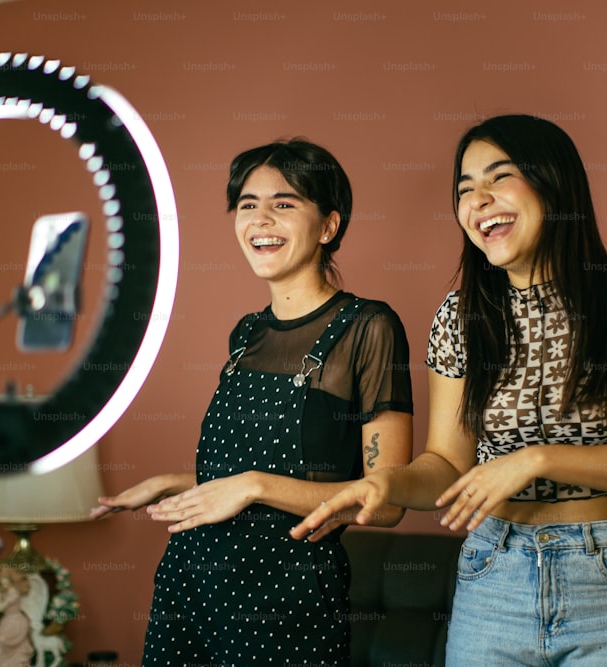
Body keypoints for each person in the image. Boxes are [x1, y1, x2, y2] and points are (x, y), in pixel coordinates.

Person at [292, 114, 607, 665]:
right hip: (495, 575)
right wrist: (385, 485)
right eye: (465, 189)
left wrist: (537, 460)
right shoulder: (459, 318)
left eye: (498, 178)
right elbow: (447, 464)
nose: (478, 200)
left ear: (554, 182)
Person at [91, 139, 414, 666]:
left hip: (287, 598)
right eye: (247, 204)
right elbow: (257, 474)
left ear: (329, 226)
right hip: (190, 583)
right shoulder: (247, 334)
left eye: (284, 203)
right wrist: (182, 483)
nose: (260, 218)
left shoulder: (368, 327)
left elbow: (387, 502)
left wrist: (252, 486)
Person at [0, 567, 34, 667]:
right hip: (7, 621)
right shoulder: (6, 591)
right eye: (2, 583)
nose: (4, 585)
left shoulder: (14, 593)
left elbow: (0, 608)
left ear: (11, 581)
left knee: (2, 643)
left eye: (6, 582)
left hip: (16, 621)